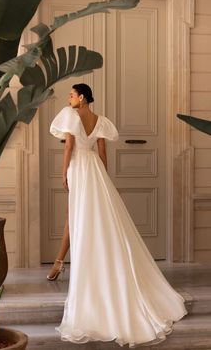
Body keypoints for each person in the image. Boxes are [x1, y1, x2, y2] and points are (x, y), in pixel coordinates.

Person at [48, 83, 188, 348]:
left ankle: (65, 262)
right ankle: (64, 260)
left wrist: (63, 172)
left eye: (71, 95)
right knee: (96, 219)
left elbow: (68, 147)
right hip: (96, 173)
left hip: (78, 168)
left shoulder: (71, 116)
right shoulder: (101, 121)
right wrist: (104, 181)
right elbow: (102, 155)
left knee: (78, 217)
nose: (68, 99)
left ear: (82, 98)